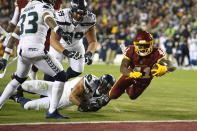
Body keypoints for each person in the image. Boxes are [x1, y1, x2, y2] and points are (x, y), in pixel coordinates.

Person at [0, 0, 82, 119]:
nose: (53, 1)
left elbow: (14, 35)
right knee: (61, 76)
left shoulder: (27, 8)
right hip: (36, 50)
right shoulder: (44, 6)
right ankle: (52, 111)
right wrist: (60, 31)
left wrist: (4, 58)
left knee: (18, 79)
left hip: (22, 51)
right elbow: (47, 17)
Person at [3, 0, 62, 80]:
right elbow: (14, 21)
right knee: (60, 75)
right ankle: (21, 81)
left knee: (24, 68)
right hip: (29, 37)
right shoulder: (23, 2)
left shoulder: (33, 5)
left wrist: (5, 58)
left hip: (37, 35)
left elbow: (55, 18)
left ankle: (25, 79)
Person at [108, 31, 176, 100]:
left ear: (151, 44)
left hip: (144, 81)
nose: (142, 48)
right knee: (112, 95)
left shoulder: (156, 52)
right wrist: (130, 74)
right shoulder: (131, 50)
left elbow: (172, 66)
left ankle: (126, 89)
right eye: (139, 45)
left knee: (132, 96)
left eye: (145, 45)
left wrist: (165, 68)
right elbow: (123, 67)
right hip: (130, 76)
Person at [44, 0, 97, 81]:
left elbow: (92, 41)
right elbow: (54, 40)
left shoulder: (89, 18)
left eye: (82, 13)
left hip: (76, 45)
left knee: (78, 70)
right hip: (59, 45)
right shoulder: (61, 16)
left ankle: (62, 79)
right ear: (72, 10)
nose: (79, 16)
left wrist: (89, 54)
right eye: (77, 12)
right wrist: (67, 53)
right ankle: (45, 93)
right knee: (52, 69)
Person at [10, 74, 115, 112]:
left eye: (107, 88)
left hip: (60, 101)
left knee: (28, 106)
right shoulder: (91, 80)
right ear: (100, 82)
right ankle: (14, 88)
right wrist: (85, 106)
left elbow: (92, 108)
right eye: (104, 86)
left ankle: (17, 97)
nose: (104, 89)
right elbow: (72, 96)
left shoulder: (102, 96)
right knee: (26, 85)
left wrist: (95, 106)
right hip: (60, 88)